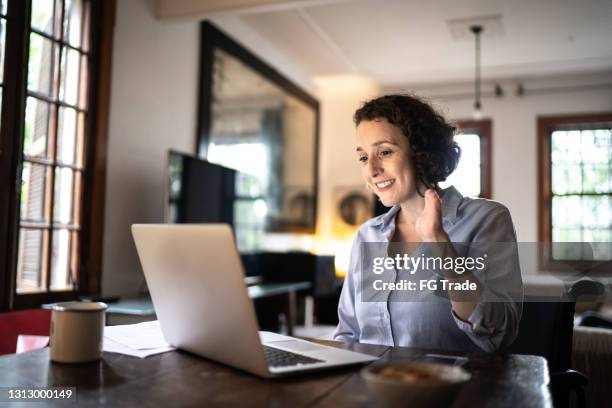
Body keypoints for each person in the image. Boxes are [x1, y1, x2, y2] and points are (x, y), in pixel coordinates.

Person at [333, 94, 522, 352]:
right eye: (364, 158)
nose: (371, 170)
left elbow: (498, 334)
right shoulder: (367, 235)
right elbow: (348, 335)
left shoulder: (487, 219)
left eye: (385, 152)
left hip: (457, 389)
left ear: (420, 152)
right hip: (369, 388)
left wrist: (440, 244)